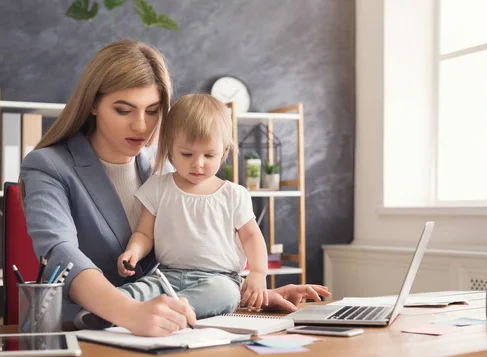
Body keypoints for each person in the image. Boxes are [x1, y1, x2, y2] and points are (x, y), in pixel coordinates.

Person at [20, 39, 331, 337]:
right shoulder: (48, 166)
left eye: (153, 111)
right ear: (93, 105)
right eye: (124, 110)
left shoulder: (168, 169)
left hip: (165, 332)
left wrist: (253, 292)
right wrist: (129, 312)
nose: (141, 126)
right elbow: (63, 255)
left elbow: (192, 259)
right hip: (81, 334)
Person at [115, 93, 268, 320]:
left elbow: (251, 237)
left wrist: (258, 273)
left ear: (224, 152)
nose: (198, 164)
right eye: (187, 154)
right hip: (166, 277)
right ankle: (107, 310)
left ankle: (169, 309)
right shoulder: (158, 186)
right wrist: (133, 251)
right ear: (170, 150)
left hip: (218, 279)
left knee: (226, 294)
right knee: (136, 291)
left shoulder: (234, 194)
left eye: (209, 155)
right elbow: (144, 233)